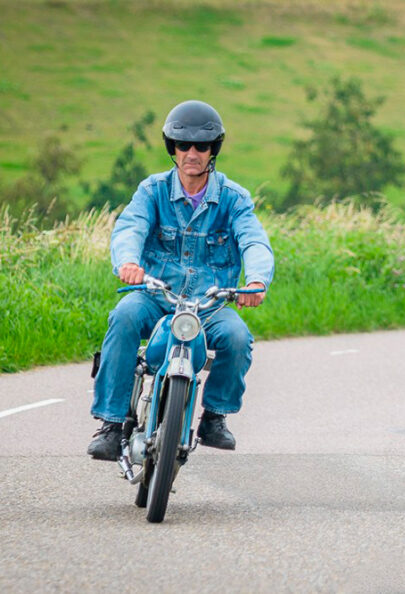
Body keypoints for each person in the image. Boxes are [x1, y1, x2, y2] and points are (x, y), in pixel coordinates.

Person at [87, 100, 274, 460]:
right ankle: (111, 424)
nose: (192, 153)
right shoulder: (152, 191)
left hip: (208, 304)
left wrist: (257, 282)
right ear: (172, 148)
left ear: (212, 150)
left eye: (201, 146)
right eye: (183, 145)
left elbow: (254, 239)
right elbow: (130, 227)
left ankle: (214, 417)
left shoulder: (234, 199)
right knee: (123, 317)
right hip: (155, 296)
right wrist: (127, 262)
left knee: (238, 338)